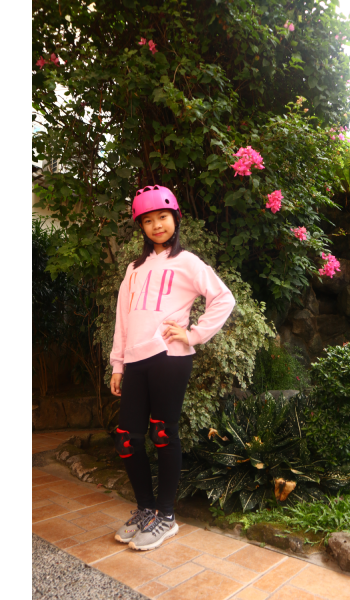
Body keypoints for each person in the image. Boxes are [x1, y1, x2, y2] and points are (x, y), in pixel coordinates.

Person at [110, 184, 235, 551]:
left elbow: (223, 298)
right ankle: (145, 509)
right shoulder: (134, 269)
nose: (157, 225)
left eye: (163, 217)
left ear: (175, 219)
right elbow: (123, 318)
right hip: (134, 360)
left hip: (170, 358)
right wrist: (117, 364)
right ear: (141, 227)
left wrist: (193, 335)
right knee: (127, 438)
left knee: (163, 433)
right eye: (148, 220)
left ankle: (166, 516)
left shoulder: (188, 262)